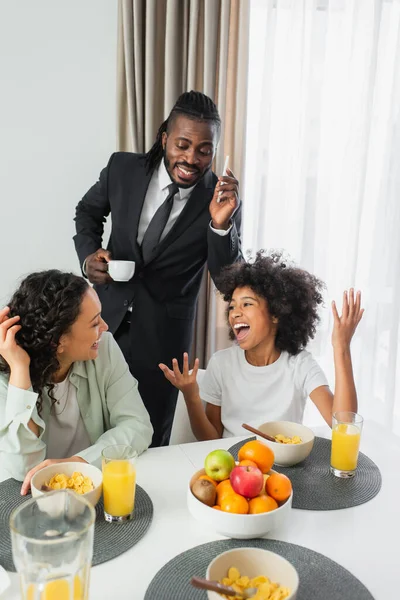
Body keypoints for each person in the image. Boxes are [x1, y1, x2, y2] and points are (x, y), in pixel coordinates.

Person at [73, 90, 242, 447]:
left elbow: (228, 278)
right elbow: (87, 211)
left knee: (148, 438)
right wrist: (89, 257)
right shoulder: (123, 169)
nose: (191, 159)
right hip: (103, 325)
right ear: (165, 138)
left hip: (164, 339)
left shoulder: (220, 199)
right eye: (182, 145)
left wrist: (220, 225)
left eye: (204, 150)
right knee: (91, 429)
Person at [159, 252, 364, 440]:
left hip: (282, 471)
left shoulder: (299, 364)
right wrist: (191, 396)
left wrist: (341, 346)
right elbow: (210, 440)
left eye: (247, 304)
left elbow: (343, 427)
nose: (235, 313)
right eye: (232, 306)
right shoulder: (222, 364)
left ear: (276, 313)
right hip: (233, 468)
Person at [0, 270, 153, 493]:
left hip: (90, 488)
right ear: (57, 342)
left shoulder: (105, 347)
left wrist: (79, 463)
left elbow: (138, 426)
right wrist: (20, 370)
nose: (105, 327)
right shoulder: (8, 372)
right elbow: (22, 469)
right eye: (94, 324)